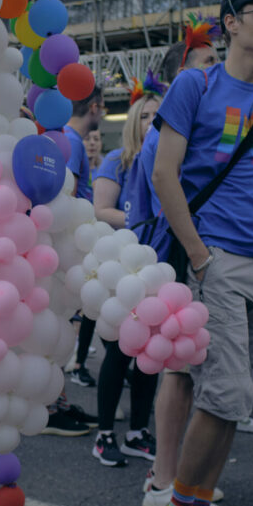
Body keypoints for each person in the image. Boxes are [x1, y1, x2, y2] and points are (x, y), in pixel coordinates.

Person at [140, 0, 253, 506]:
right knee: (223, 394)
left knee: (244, 403)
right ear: (230, 21)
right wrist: (200, 257)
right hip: (219, 257)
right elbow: (163, 174)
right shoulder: (194, 84)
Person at [129, 30, 232, 506]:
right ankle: (164, 479)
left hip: (197, 255)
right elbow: (164, 197)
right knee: (179, 372)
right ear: (179, 80)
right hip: (175, 256)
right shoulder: (164, 133)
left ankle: (183, 479)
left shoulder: (198, 125)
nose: (216, 71)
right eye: (205, 64)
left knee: (198, 371)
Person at [92, 87, 163, 467]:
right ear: (135, 123)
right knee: (119, 353)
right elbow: (100, 209)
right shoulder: (119, 161)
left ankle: (138, 431)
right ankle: (105, 435)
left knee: (152, 354)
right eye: (147, 116)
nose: (154, 122)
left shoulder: (168, 163)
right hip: (124, 267)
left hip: (159, 267)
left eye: (159, 116)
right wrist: (142, 220)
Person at [62, 87, 106, 389]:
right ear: (94, 106)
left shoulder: (70, 138)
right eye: (102, 107)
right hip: (76, 241)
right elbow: (71, 195)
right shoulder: (72, 141)